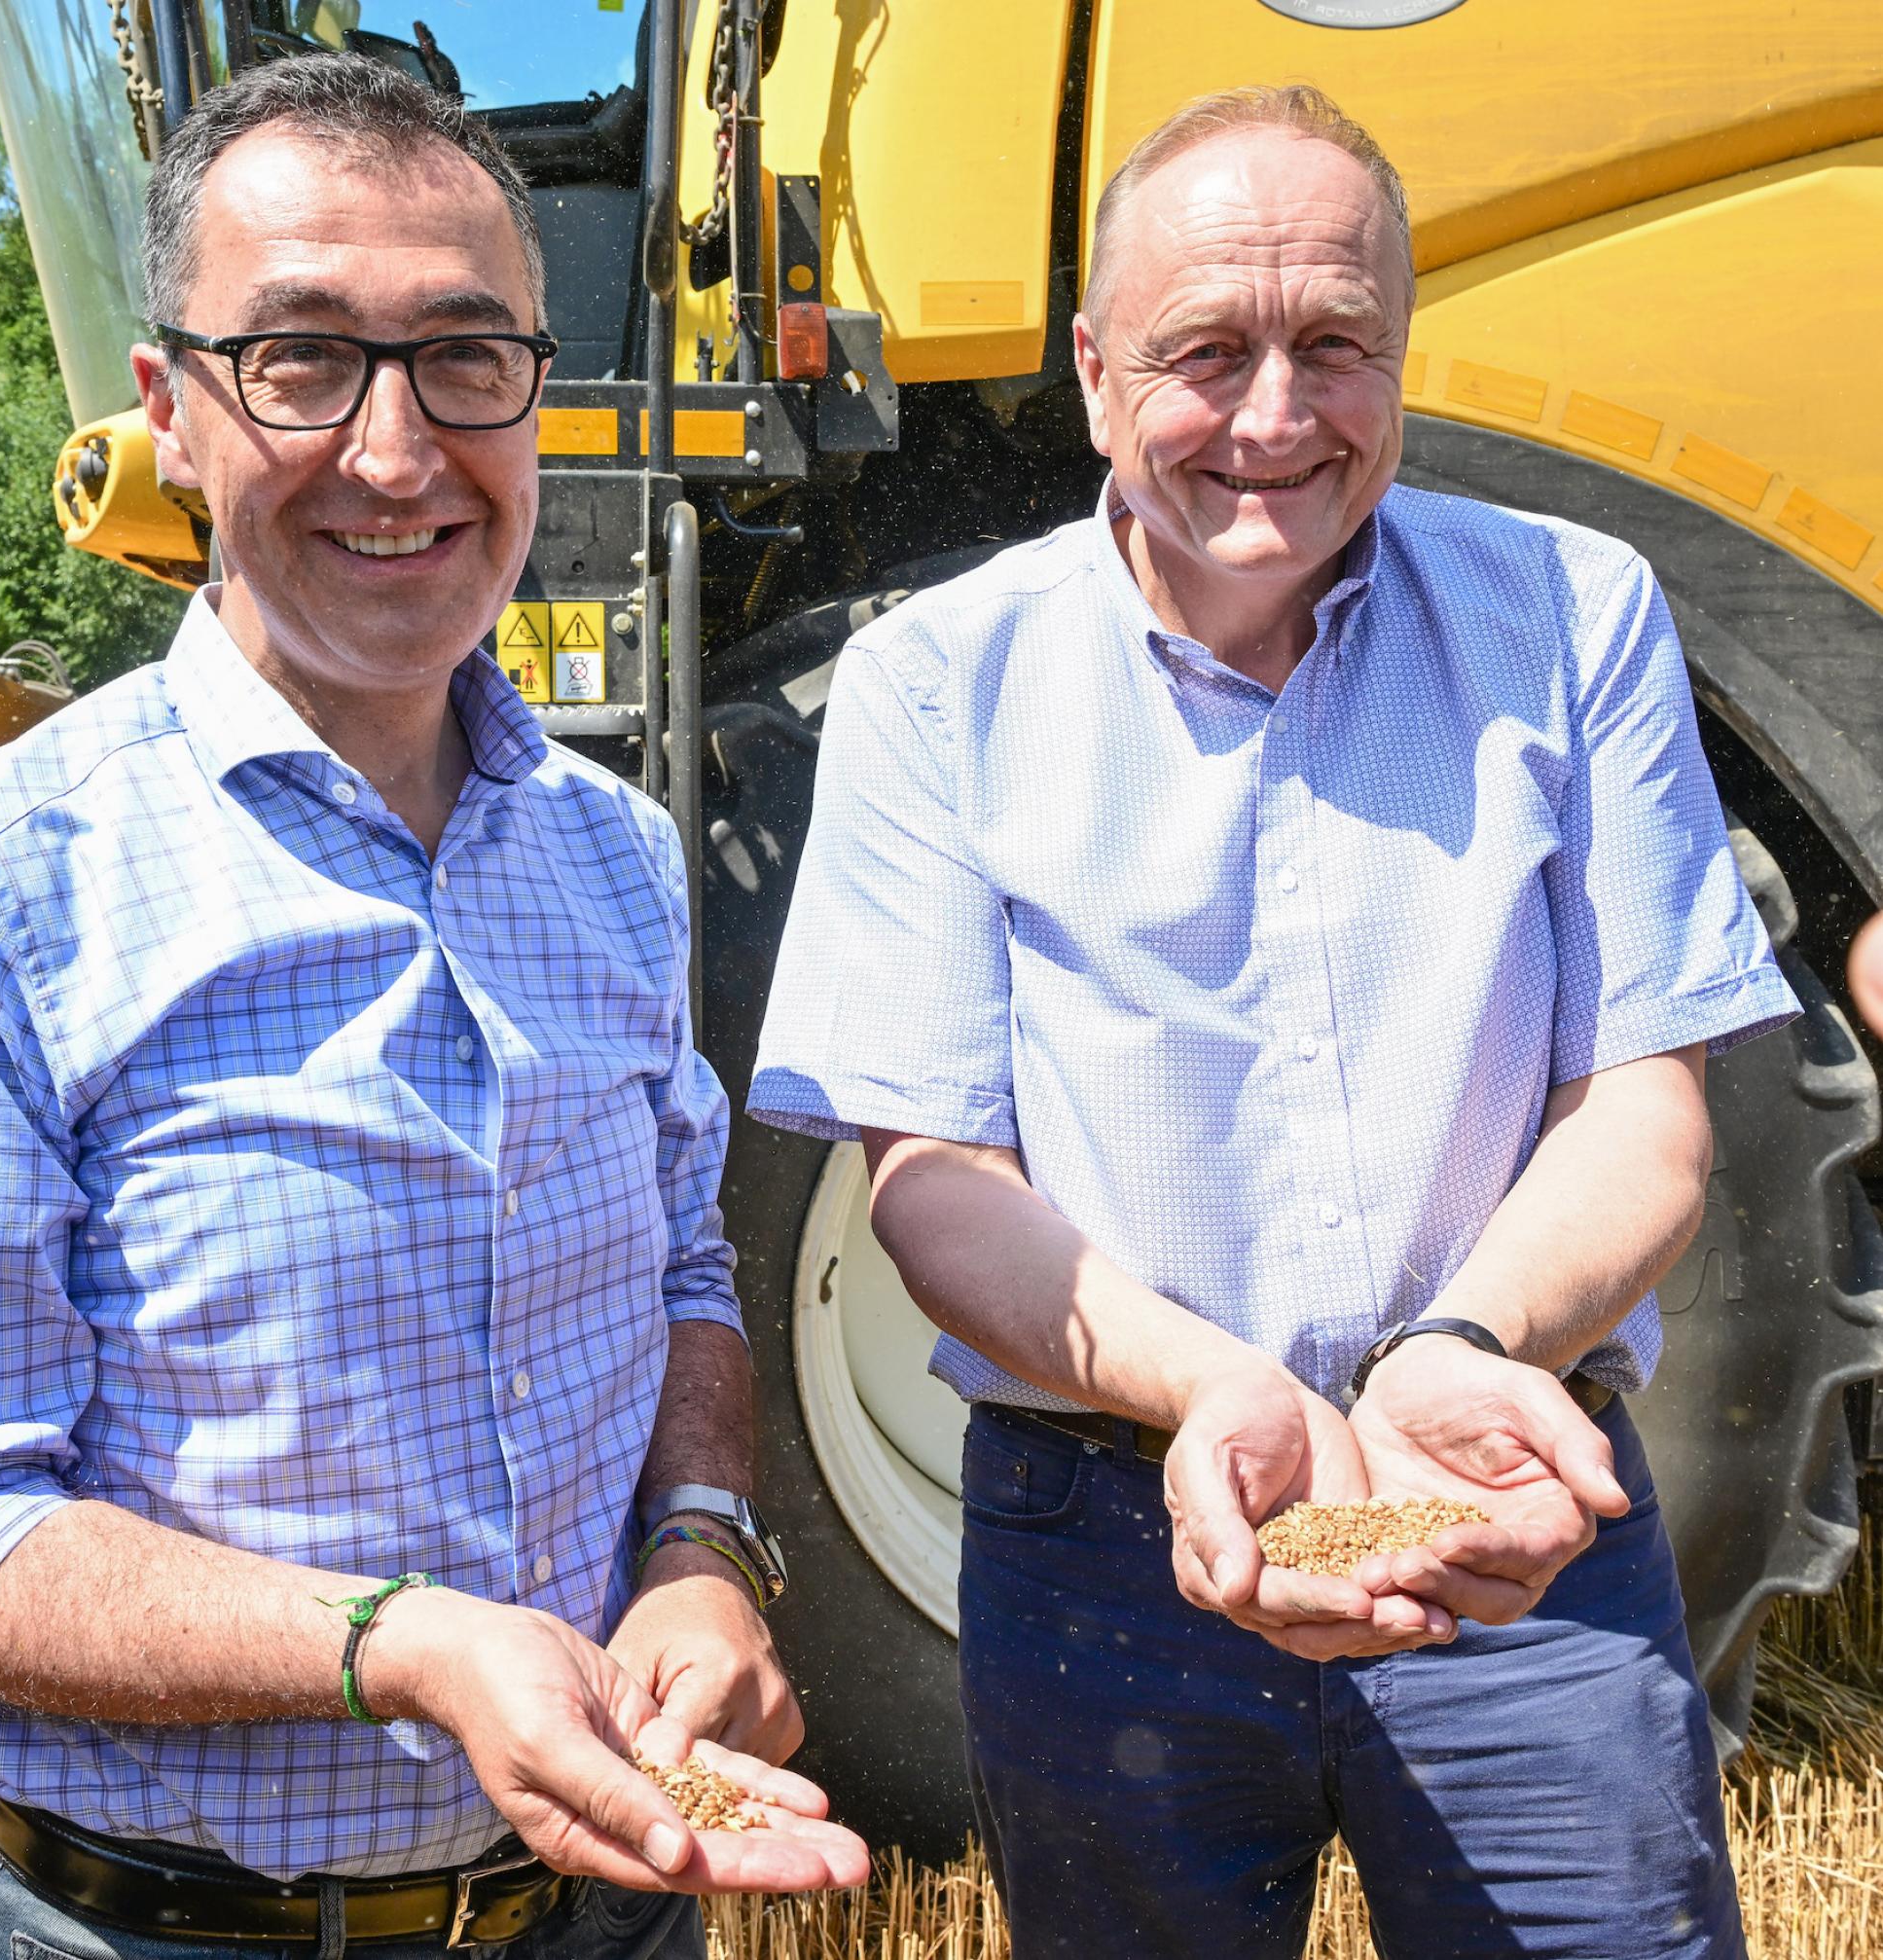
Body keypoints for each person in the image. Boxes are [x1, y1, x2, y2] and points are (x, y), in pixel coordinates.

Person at [0, 51, 866, 1960]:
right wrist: (399, 1646)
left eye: (463, 356)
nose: (393, 446)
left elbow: (684, 1267)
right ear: (170, 409)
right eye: (300, 361)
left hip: (604, 1913)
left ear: (539, 389)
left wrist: (696, 1551)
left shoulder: (604, 854)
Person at [748, 85, 1786, 1959]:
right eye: (1204, 352)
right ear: (1088, 369)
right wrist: (1214, 1391)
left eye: (1334, 349)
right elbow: (929, 1177)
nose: (1273, 418)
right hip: (1101, 1536)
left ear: (1401, 352)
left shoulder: (1576, 614)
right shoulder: (936, 683)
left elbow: (1645, 1104)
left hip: (1506, 1506)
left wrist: (1462, 1349)